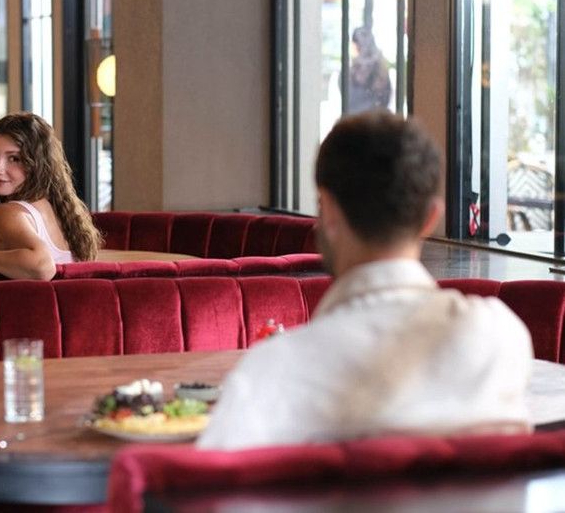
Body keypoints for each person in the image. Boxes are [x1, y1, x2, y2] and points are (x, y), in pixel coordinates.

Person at [198, 111, 533, 450]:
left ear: (328, 211)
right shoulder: (501, 339)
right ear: (431, 218)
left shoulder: (274, 374)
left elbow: (215, 473)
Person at [0, 112, 101, 280]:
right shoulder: (59, 209)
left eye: (14, 158)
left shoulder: (7, 213)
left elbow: (43, 266)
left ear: (37, 164)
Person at [346, 26, 392, 114]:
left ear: (355, 45)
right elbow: (386, 99)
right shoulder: (381, 70)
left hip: (354, 120)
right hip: (376, 119)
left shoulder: (351, 72)